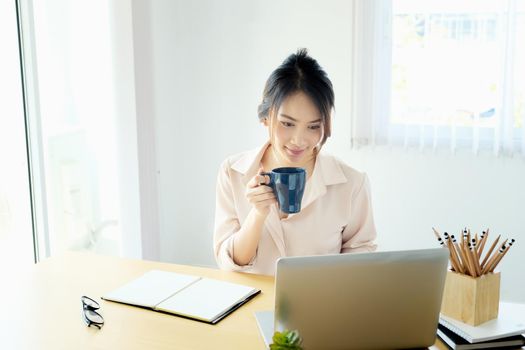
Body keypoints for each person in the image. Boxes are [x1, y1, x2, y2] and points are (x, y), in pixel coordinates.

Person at [214, 49, 377, 275]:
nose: (299, 140)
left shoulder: (351, 183)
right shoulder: (232, 172)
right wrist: (258, 214)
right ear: (266, 117)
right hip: (252, 304)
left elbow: (362, 257)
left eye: (313, 127)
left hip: (320, 306)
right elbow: (230, 263)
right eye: (287, 124)